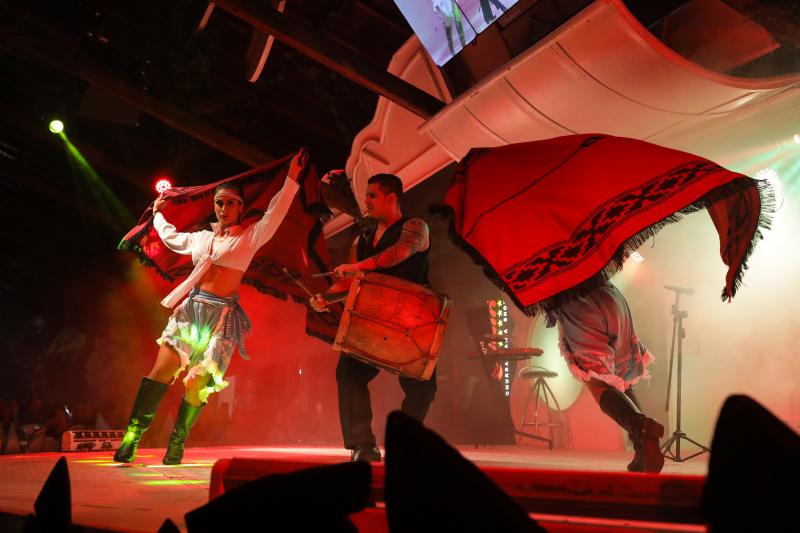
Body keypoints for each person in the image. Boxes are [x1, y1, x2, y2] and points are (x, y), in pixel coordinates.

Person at [113, 151, 306, 465]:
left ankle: (177, 441)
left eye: (231, 202)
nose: (224, 207)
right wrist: (158, 214)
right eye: (220, 202)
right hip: (190, 312)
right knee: (160, 371)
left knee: (198, 383)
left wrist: (292, 179)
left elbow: (275, 213)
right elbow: (169, 236)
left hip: (221, 319)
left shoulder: (250, 237)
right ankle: (131, 438)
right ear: (214, 206)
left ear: (241, 207)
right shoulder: (200, 239)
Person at [311, 173, 435, 462]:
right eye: (365, 196)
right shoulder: (363, 239)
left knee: (423, 387)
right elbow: (350, 283)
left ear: (392, 197)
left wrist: (357, 267)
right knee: (348, 373)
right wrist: (326, 298)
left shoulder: (416, 228)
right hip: (372, 319)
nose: (365, 201)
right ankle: (363, 446)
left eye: (372, 195)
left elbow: (398, 254)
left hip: (411, 322)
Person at [549, 281, 664, 473]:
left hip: (578, 303)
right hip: (610, 296)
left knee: (598, 384)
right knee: (621, 379)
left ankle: (642, 427)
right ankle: (641, 450)